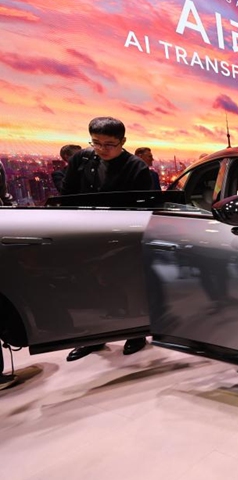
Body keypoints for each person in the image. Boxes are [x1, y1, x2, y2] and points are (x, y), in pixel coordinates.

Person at [62, 117, 152, 361]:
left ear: (123, 141)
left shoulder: (136, 168)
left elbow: (144, 208)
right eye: (96, 143)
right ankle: (93, 337)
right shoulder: (81, 159)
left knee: (127, 285)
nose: (101, 149)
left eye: (109, 144)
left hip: (121, 237)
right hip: (85, 235)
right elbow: (67, 195)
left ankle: (135, 333)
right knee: (89, 288)